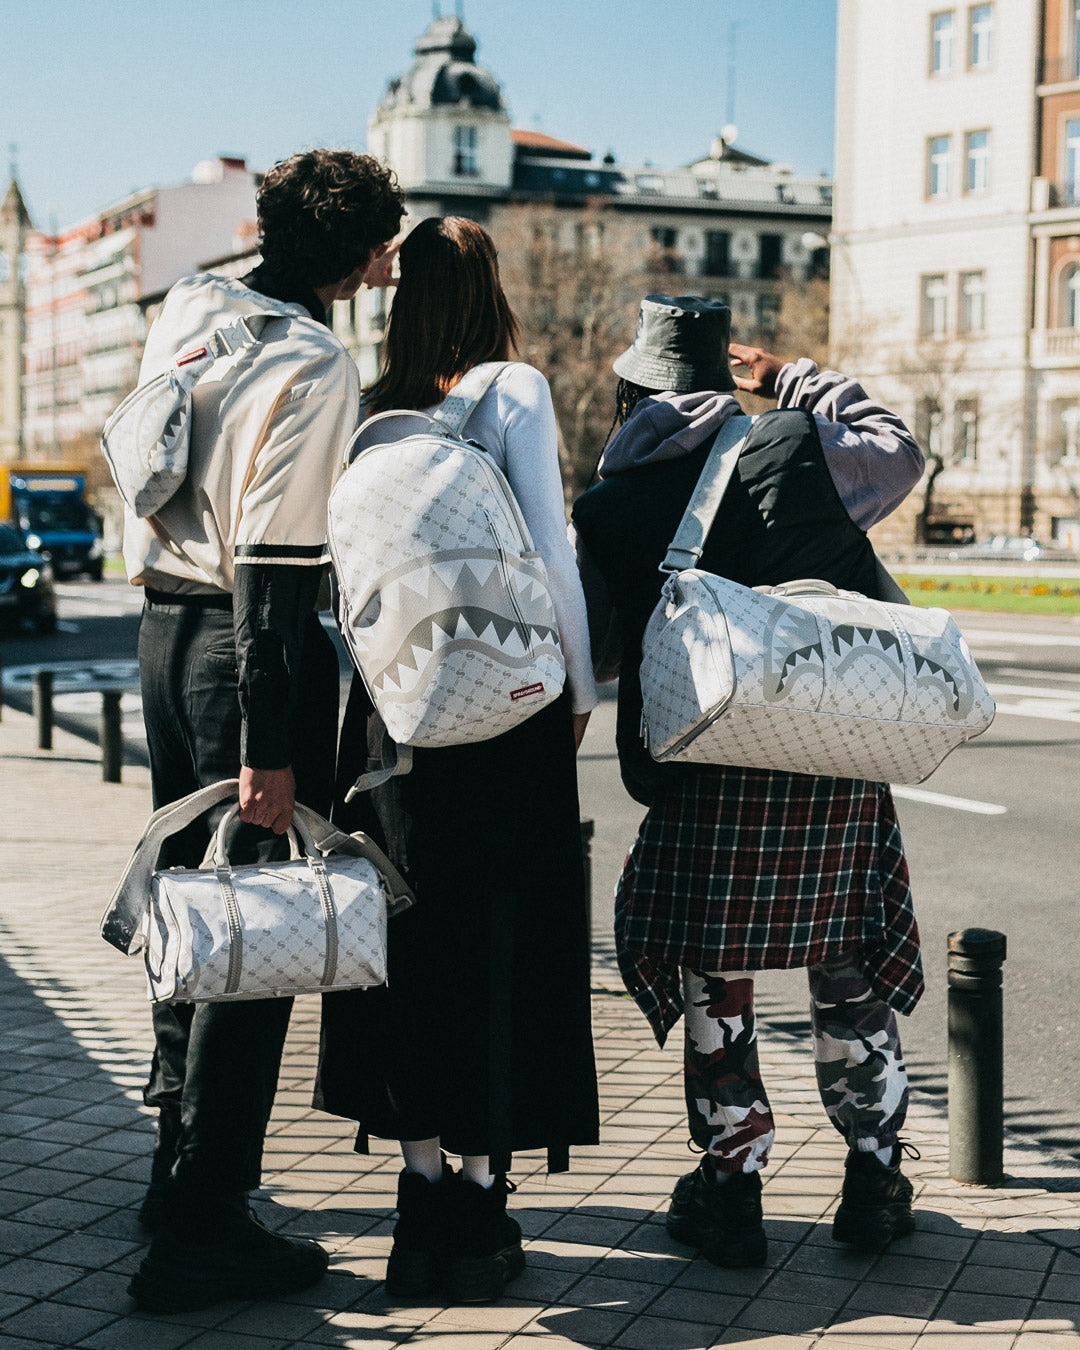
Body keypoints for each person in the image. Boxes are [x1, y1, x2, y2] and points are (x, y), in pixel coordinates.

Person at [571, 294, 926, 1269]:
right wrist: (793, 380)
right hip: (830, 758)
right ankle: (874, 1178)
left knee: (716, 983)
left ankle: (732, 1185)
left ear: (635, 389)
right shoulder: (794, 445)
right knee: (849, 970)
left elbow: (599, 657)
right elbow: (899, 449)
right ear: (727, 377)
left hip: (706, 775)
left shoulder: (608, 503)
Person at [120, 149, 405, 1312]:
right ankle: (202, 1232)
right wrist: (273, 746)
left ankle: (170, 1176)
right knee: (251, 936)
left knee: (196, 914)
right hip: (243, 652)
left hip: (160, 630)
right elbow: (281, 572)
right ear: (351, 254)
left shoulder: (197, 306)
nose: (392, 258)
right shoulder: (315, 360)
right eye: (383, 241)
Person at [316, 216, 600, 1305]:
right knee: (503, 942)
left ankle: (418, 1196)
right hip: (508, 717)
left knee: (410, 940)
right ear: (488, 292)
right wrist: (578, 687)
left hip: (393, 719)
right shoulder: (508, 389)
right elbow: (551, 547)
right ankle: (482, 1206)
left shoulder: (365, 409)